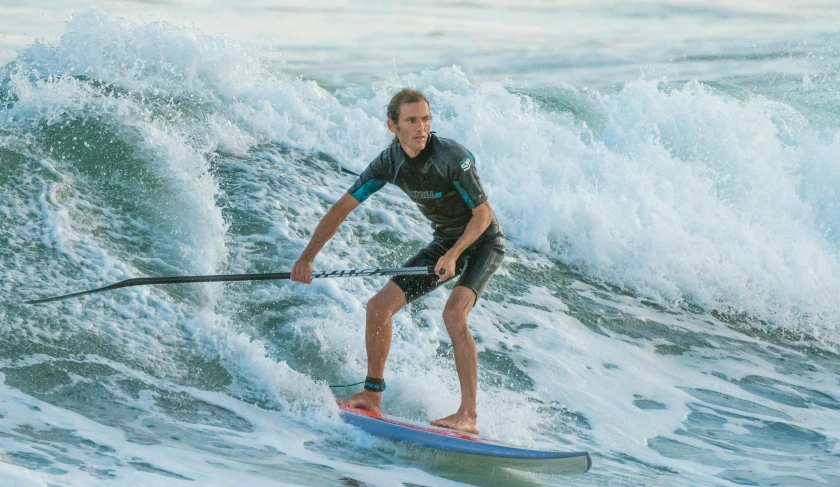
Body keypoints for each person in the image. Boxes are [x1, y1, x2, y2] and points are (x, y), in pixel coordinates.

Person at [290, 88, 504, 434]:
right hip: (445, 242)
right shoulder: (389, 163)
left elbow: (483, 215)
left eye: (426, 119)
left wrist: (453, 255)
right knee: (378, 308)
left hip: (482, 243)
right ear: (393, 126)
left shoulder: (452, 156)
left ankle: (469, 414)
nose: (421, 127)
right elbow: (342, 208)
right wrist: (306, 258)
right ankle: (372, 396)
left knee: (453, 313)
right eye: (412, 120)